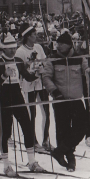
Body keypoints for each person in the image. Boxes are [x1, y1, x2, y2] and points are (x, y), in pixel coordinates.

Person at [0, 35, 44, 174]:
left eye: (14, 48)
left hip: (17, 96)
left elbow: (27, 76)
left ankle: (32, 161)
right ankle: (6, 165)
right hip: (4, 97)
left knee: (27, 126)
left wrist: (37, 74)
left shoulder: (18, 61)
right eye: (9, 49)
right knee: (6, 131)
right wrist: (3, 76)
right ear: (4, 49)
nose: (13, 51)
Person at [42, 32, 90, 171]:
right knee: (62, 130)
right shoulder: (52, 58)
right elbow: (46, 77)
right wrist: (54, 91)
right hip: (60, 100)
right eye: (57, 43)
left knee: (82, 127)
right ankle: (70, 158)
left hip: (76, 99)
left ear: (69, 45)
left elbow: (86, 71)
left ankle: (59, 151)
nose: (58, 45)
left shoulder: (78, 58)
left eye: (61, 43)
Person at [15, 22, 52, 151]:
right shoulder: (20, 51)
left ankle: (46, 140)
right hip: (29, 85)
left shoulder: (39, 47)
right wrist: (31, 66)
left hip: (41, 84)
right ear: (28, 36)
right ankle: (33, 141)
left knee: (46, 112)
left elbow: (45, 62)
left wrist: (43, 69)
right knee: (32, 114)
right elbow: (22, 71)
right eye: (34, 34)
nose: (36, 36)